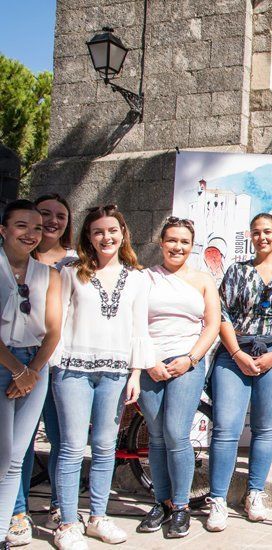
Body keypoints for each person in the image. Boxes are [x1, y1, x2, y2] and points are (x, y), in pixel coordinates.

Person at [52, 205, 153, 550]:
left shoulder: (137, 277)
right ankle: (67, 522)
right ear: (88, 237)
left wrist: (136, 373)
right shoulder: (72, 272)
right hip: (73, 368)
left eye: (112, 230)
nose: (106, 237)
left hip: (115, 372)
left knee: (106, 445)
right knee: (70, 446)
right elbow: (59, 320)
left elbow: (139, 327)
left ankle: (97, 516)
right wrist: (53, 364)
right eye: (98, 231)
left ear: (123, 233)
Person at [205, 213, 272, 532]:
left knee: (265, 429)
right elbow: (221, 314)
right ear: (251, 237)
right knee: (226, 428)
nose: (262, 237)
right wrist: (236, 353)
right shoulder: (236, 271)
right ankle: (218, 500)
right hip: (235, 351)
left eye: (268, 232)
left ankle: (255, 494)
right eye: (256, 232)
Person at [135, 217, 221, 538]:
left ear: (192, 246)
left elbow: (211, 325)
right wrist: (150, 359)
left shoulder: (203, 280)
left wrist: (190, 358)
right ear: (161, 242)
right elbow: (135, 323)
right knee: (155, 436)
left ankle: (182, 506)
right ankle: (162, 502)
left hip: (187, 362)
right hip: (151, 363)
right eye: (172, 240)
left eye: (184, 242)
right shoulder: (145, 278)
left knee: (175, 432)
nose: (177, 246)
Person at [8, 194, 76, 545]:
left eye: (59, 216)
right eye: (43, 214)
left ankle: (58, 507)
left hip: (62, 365)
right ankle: (17, 511)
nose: (51, 221)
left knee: (63, 440)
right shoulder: (17, 259)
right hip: (24, 364)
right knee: (19, 444)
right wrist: (25, 370)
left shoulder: (80, 261)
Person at [0, 201, 62, 550]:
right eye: (22, 225)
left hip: (34, 368)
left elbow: (53, 330)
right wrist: (17, 370)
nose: (31, 233)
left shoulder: (49, 274)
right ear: (4, 230)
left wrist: (32, 371)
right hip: (6, 363)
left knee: (14, 458)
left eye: (37, 228)